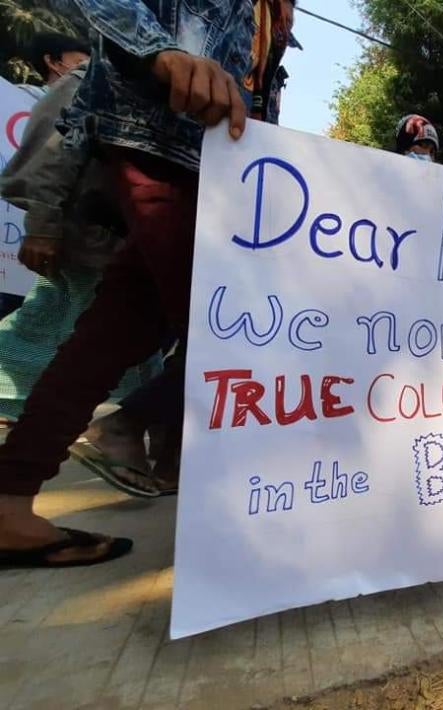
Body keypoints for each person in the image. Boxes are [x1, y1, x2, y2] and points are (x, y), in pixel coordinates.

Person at [0, 0, 294, 568]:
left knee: (120, 326)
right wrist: (161, 53)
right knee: (237, 328)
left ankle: (11, 498)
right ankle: (287, 505)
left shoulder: (272, 21)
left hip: (210, 162)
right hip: (156, 141)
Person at [0, 61, 162, 429]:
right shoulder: (93, 78)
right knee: (91, 329)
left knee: (75, 323)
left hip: (130, 242)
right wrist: (43, 226)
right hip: (87, 236)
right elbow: (51, 152)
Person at [0, 34, 92, 321]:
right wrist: (42, 226)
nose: (87, 67)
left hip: (62, 247)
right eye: (80, 62)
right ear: (52, 62)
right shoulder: (17, 98)